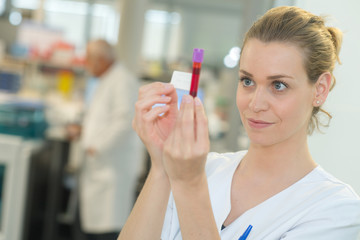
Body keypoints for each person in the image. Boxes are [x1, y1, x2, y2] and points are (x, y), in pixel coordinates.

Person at [118, 6, 360, 240]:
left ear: (320, 89)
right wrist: (162, 166)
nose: (255, 104)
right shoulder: (206, 169)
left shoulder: (334, 209)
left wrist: (190, 185)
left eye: (278, 85)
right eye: (247, 81)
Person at [69, 39, 143, 240]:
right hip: (100, 169)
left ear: (101, 60)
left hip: (111, 170)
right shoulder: (106, 80)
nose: (86, 63)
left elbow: (124, 121)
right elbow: (102, 120)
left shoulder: (122, 81)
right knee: (93, 227)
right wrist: (84, 131)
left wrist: (96, 147)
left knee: (108, 230)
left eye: (88, 59)